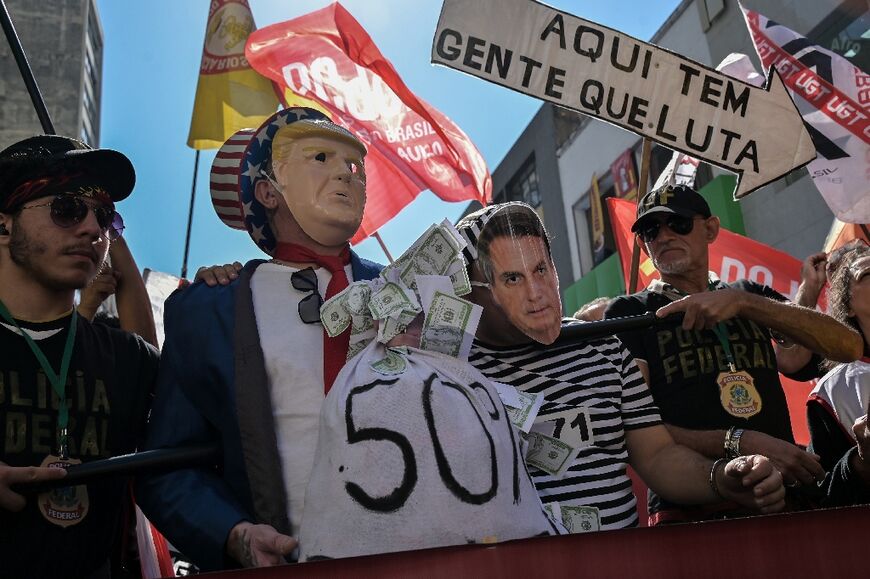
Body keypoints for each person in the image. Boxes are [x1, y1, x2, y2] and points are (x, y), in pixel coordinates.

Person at [135, 108, 383, 572]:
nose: (345, 175)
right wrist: (236, 535)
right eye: (321, 157)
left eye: (354, 165)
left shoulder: (413, 290)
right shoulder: (207, 312)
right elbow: (166, 467)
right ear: (268, 190)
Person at [455, 202, 786, 532]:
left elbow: (657, 456)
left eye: (541, 269)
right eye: (512, 278)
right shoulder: (446, 374)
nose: (537, 293)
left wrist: (721, 479)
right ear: (469, 291)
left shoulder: (605, 347)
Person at [603, 184, 863, 524]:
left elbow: (846, 347)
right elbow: (636, 425)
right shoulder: (630, 310)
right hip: (691, 511)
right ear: (642, 244)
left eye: (678, 223)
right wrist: (741, 442)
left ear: (710, 229)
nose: (663, 236)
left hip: (783, 496)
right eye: (650, 230)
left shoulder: (748, 294)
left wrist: (745, 303)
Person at [0, 135, 159, 578]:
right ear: (4, 225)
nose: (93, 229)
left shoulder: (130, 358)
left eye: (105, 217)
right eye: (67, 209)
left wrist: (220, 297)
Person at [807, 245, 870, 506]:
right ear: (848, 306)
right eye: (867, 274)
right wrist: (862, 460)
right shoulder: (831, 394)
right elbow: (826, 494)